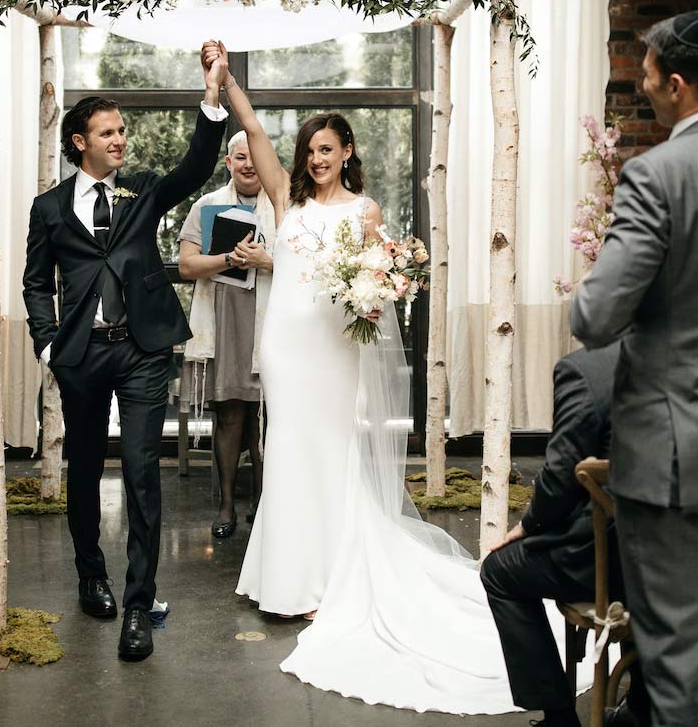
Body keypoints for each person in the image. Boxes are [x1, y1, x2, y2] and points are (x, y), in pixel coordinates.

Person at [212, 45, 559, 710]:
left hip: (333, 352)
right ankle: (287, 579)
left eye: (327, 149)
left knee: (330, 454)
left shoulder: (364, 211)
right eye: (310, 148)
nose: (316, 159)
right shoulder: (285, 198)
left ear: (346, 152)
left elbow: (374, 287)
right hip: (286, 346)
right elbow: (254, 133)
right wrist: (228, 84)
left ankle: (331, 585)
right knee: (286, 450)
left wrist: (368, 296)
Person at [24, 50, 228, 660]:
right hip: (81, 355)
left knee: (142, 473)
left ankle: (139, 606)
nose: (121, 141)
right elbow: (37, 282)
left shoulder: (141, 192)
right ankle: (92, 573)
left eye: (122, 131)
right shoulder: (50, 208)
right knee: (84, 469)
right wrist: (48, 339)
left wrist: (211, 97)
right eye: (109, 133)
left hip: (143, 351)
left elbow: (195, 166)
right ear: (79, 141)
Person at [569, 11, 698, 727]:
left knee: (675, 660)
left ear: (677, 84)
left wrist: (605, 268)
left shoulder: (657, 174)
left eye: (647, 74)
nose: (642, 83)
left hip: (667, 454)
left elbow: (594, 315)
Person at [481, 346, 643, 727]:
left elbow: (558, 479)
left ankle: (558, 719)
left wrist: (528, 526)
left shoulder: (589, 370)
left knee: (498, 571)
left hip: (615, 563)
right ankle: (642, 701)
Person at [178, 131, 274, 541]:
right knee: (231, 413)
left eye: (255, 157)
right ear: (228, 162)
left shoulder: (286, 205)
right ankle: (226, 505)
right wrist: (228, 258)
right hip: (224, 315)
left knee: (267, 418)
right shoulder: (206, 205)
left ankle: (266, 504)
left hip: (271, 316)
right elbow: (185, 266)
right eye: (240, 158)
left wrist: (264, 260)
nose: (248, 165)